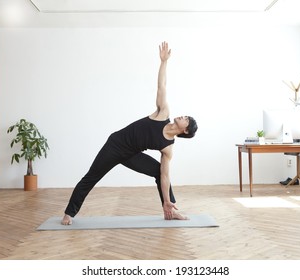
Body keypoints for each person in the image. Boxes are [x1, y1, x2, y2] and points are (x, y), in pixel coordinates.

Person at [62, 41, 198, 225]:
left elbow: (165, 176)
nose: (183, 116)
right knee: (91, 177)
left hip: (131, 155)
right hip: (115, 145)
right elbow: (161, 86)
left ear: (185, 130)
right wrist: (164, 62)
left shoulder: (168, 148)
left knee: (159, 172)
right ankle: (69, 214)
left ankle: (171, 209)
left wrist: (166, 200)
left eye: (186, 119)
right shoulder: (163, 113)